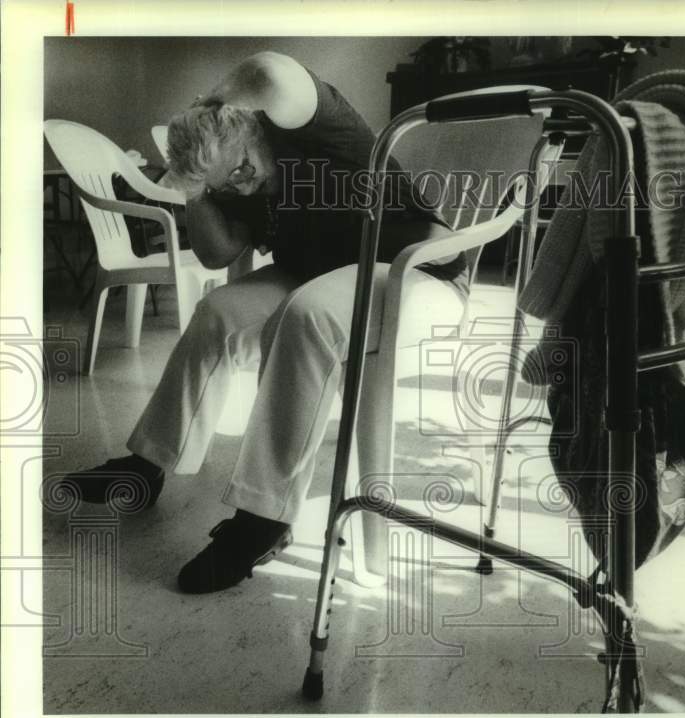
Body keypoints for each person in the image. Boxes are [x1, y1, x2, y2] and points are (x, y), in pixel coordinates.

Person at [59, 51, 469, 594]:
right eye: (228, 181)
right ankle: (147, 464)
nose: (243, 182)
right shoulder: (230, 184)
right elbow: (215, 253)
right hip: (323, 275)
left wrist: (206, 108)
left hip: (419, 273)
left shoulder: (321, 136)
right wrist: (196, 185)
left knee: (309, 312)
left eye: (244, 163)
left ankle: (264, 518)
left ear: (252, 122)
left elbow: (269, 71)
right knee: (218, 311)